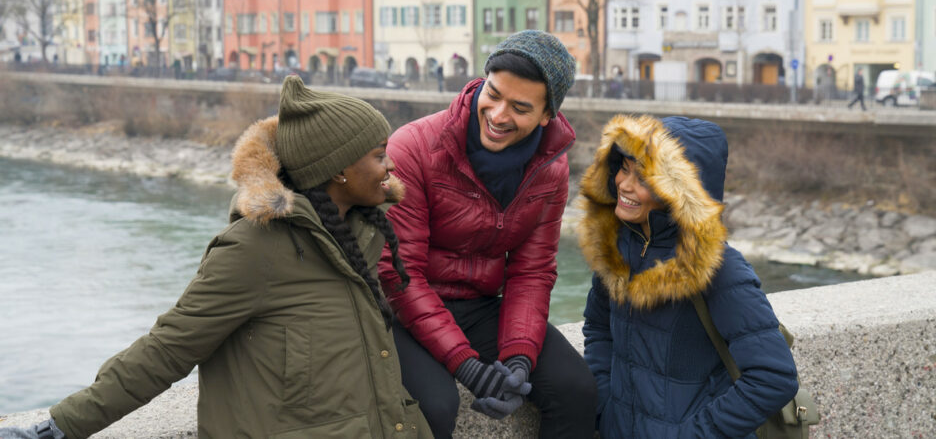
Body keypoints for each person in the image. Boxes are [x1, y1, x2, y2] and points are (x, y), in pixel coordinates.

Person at [2, 76, 431, 439]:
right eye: (378, 155)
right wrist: (57, 427)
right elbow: (166, 349)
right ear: (337, 168)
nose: (391, 165)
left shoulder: (364, 234)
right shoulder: (254, 250)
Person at [378, 30, 597, 438]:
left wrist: (518, 361)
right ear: (480, 82)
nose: (497, 115)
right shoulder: (414, 147)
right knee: (436, 405)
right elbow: (398, 273)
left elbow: (532, 272)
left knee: (576, 389)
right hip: (398, 309)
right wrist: (468, 368)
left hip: (477, 306)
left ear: (547, 115)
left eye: (520, 107)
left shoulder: (550, 169)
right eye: (492, 94)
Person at [579, 114, 799, 438]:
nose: (625, 184)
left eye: (643, 178)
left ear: (678, 192)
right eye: (623, 169)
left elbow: (773, 377)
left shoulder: (720, 268)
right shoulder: (618, 247)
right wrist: (605, 407)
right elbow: (598, 328)